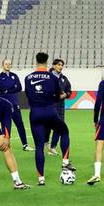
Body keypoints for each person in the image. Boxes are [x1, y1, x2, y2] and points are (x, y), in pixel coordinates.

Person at [23, 52, 74, 185]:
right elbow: (57, 96)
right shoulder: (52, 77)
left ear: (36, 62)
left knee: (39, 146)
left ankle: (41, 179)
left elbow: (27, 95)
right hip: (50, 111)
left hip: (35, 113)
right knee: (64, 132)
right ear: (47, 62)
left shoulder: (28, 78)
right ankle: (65, 162)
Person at [0, 59, 31, 151]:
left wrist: (8, 90)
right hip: (5, 106)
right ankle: (6, 145)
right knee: (6, 126)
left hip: (15, 104)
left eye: (9, 64)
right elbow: (2, 88)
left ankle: (25, 145)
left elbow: (19, 87)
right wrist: (12, 87)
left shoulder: (14, 75)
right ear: (2, 65)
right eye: (6, 64)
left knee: (20, 124)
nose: (8, 65)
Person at [47, 59, 72, 155]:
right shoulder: (48, 77)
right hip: (49, 105)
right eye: (58, 65)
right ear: (53, 66)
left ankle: (53, 147)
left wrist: (66, 95)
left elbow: (69, 91)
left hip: (60, 106)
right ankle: (45, 143)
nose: (60, 67)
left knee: (59, 127)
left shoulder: (64, 79)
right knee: (47, 127)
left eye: (62, 65)